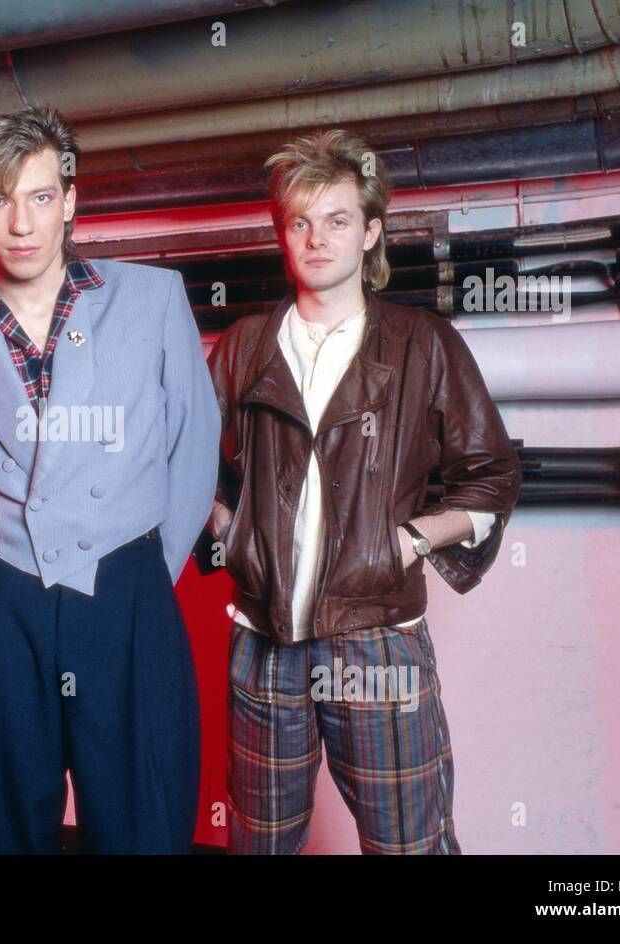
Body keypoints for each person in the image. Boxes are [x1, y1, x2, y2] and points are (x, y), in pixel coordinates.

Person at [0, 104, 220, 853]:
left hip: (128, 585)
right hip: (0, 596)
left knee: (144, 820)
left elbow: (195, 446)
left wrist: (142, 570)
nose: (21, 223)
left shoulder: (154, 298)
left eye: (41, 197)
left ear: (71, 200)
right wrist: (13, 555)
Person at [206, 129, 522, 854]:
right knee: (260, 844)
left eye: (337, 220)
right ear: (284, 233)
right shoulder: (245, 344)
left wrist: (410, 540)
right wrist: (232, 529)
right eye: (300, 222)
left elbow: (493, 473)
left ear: (371, 230)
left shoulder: (421, 343)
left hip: (377, 642)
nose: (317, 239)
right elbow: (189, 462)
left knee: (410, 844)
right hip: (265, 644)